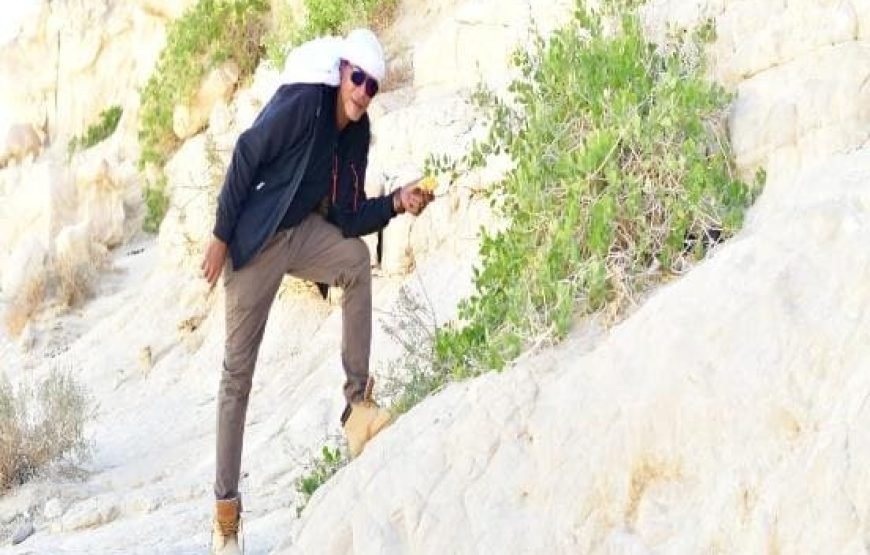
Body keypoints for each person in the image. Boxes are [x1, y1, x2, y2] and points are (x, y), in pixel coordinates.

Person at [200, 29, 433, 555]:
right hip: (255, 241)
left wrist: (396, 203)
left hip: (301, 234)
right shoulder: (306, 103)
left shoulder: (357, 132)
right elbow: (247, 153)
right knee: (237, 377)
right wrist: (220, 236)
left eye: (372, 86)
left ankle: (358, 407)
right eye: (357, 79)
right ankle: (226, 519)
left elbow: (348, 217)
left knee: (354, 261)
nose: (362, 92)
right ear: (341, 72)